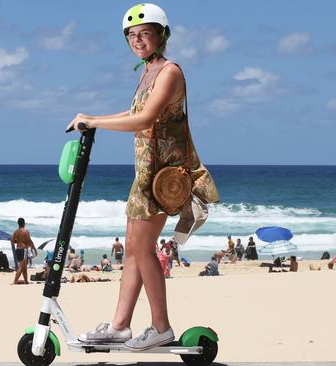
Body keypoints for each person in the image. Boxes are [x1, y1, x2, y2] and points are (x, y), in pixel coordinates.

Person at [68, 4, 200, 349]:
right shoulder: (148, 71)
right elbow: (134, 112)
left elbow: (144, 120)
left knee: (143, 249)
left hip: (163, 175)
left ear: (161, 35)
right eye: (131, 35)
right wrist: (91, 116)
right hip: (145, 172)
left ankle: (161, 327)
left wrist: (95, 122)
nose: (137, 40)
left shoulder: (170, 71)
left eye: (145, 33)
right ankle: (120, 325)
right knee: (133, 249)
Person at [12, 217, 37, 285]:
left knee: (24, 267)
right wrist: (33, 248)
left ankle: (26, 281)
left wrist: (19, 241)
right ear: (24, 223)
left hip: (18, 250)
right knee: (21, 267)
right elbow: (29, 241)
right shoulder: (25, 231)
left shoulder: (16, 231)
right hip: (24, 250)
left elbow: (12, 241)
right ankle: (15, 281)